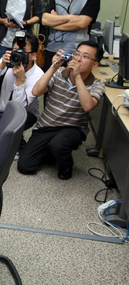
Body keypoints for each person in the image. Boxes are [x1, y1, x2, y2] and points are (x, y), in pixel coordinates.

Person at [17, 41, 105, 180]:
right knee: (25, 166)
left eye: (85, 56)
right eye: (76, 54)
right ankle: (52, 151)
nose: (78, 58)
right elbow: (36, 91)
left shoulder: (97, 84)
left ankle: (66, 166)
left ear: (95, 65)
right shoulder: (58, 73)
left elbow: (88, 106)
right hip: (46, 125)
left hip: (73, 127)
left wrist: (77, 77)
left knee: (59, 144)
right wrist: (53, 67)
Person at [41, 0, 101, 73]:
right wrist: (71, 17)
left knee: (71, 88)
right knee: (48, 86)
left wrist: (55, 22)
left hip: (77, 54)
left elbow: (82, 23)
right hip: (52, 50)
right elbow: (45, 20)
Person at [0, 33, 44, 142]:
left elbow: (20, 106)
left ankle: (18, 144)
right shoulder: (10, 59)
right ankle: (16, 141)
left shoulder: (38, 76)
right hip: (1, 109)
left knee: (3, 137)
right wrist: (1, 65)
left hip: (24, 114)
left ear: (34, 55)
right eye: (15, 50)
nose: (18, 54)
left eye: (23, 51)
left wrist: (20, 81)